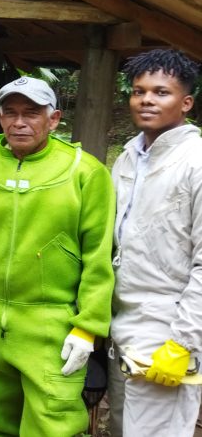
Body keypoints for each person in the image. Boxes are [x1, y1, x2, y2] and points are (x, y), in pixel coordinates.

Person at [0, 76, 115, 436]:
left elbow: (99, 257)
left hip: (49, 322)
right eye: (10, 113)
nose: (19, 122)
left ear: (54, 119)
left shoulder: (85, 172)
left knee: (53, 424)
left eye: (31, 113)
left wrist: (88, 326)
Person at [107, 50, 202, 437]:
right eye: (138, 91)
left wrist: (183, 341)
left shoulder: (195, 161)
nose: (146, 100)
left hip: (170, 322)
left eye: (161, 92)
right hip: (121, 322)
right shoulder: (128, 158)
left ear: (186, 102)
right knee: (120, 426)